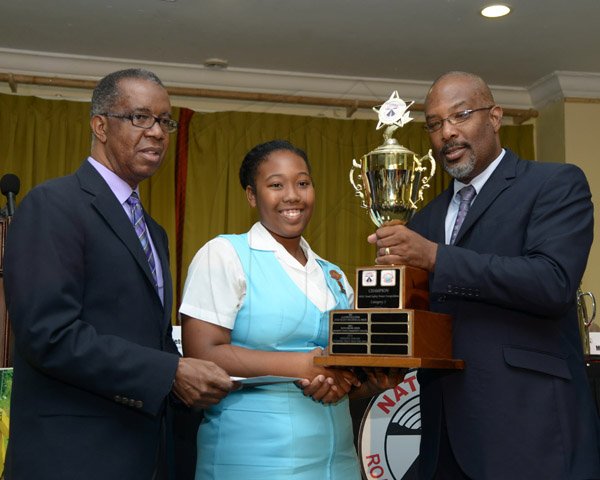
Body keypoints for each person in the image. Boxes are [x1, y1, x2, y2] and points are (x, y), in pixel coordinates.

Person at [3, 68, 235, 480]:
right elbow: (48, 334)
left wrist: (198, 380)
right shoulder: (53, 205)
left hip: (146, 456)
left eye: (165, 121)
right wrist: (171, 373)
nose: (158, 133)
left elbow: (151, 339)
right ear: (100, 126)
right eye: (140, 117)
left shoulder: (154, 231)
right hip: (71, 459)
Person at [368, 71, 600, 480]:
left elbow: (553, 283)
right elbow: (425, 320)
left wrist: (437, 257)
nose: (447, 133)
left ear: (495, 117)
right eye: (435, 124)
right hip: (443, 433)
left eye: (460, 116)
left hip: (531, 430)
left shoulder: (555, 183)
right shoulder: (426, 217)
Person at [180, 140, 400, 479]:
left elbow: (349, 376)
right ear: (252, 196)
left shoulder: (335, 276)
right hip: (253, 463)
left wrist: (371, 381)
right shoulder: (224, 254)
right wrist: (306, 365)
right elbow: (203, 354)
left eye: (303, 182)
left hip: (337, 465)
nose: (293, 195)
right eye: (276, 185)